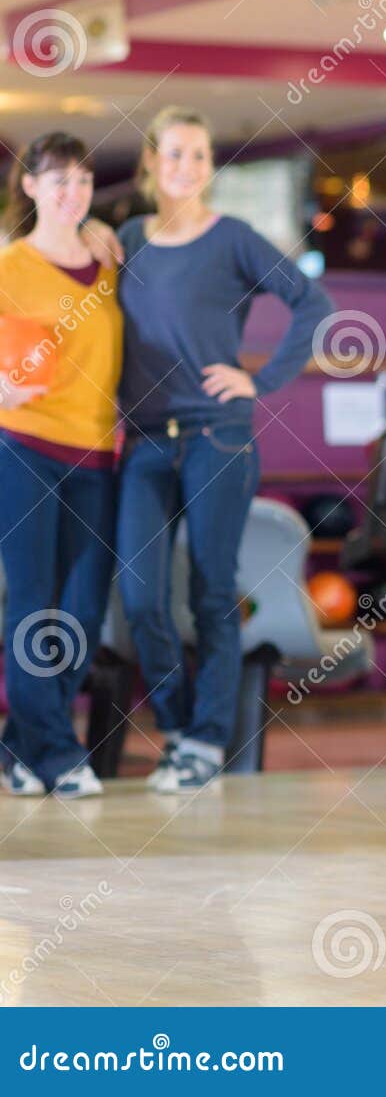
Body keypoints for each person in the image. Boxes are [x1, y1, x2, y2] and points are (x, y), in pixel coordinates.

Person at [109, 106, 333, 792]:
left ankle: (207, 744)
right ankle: (177, 730)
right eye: (175, 154)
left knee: (212, 593)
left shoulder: (233, 237)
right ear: (151, 162)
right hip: (145, 440)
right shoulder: (125, 239)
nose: (188, 167)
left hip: (218, 438)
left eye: (200, 155)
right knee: (140, 597)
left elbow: (313, 303)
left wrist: (259, 378)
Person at [0, 132, 123, 798]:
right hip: (25, 448)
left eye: (81, 181)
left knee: (82, 610)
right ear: (30, 186)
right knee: (31, 606)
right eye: (57, 181)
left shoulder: (109, 258)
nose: (71, 192)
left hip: (98, 455)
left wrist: (101, 228)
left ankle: (20, 745)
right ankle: (55, 753)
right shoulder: (11, 265)